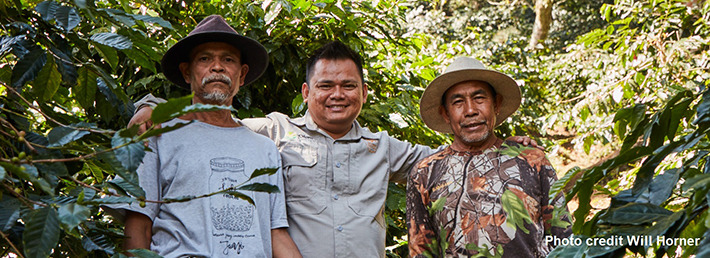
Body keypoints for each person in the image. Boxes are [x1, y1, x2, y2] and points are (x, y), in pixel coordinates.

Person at [129, 41, 539, 257]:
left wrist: (502, 147)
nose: (337, 95)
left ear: (363, 92)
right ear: (307, 92)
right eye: (325, 85)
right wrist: (150, 108)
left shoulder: (385, 147)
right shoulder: (271, 133)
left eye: (348, 85)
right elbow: (213, 122)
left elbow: (449, 155)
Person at [104, 15, 301, 258]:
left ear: (242, 74)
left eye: (228, 59)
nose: (217, 67)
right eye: (205, 58)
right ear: (187, 72)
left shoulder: (265, 149)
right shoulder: (156, 135)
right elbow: (139, 224)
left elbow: (275, 232)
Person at [407, 57, 571, 258]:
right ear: (445, 114)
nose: (470, 111)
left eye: (479, 98)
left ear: (496, 104)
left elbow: (562, 238)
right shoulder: (425, 172)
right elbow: (421, 251)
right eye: (458, 102)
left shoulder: (531, 160)